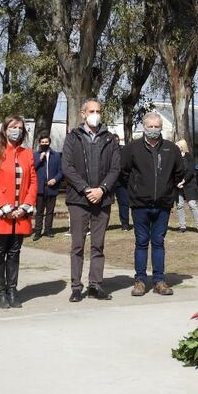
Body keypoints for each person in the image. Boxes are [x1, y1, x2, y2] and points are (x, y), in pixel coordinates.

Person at [120, 112, 186, 297]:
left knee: (159, 242)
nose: (154, 129)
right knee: (141, 242)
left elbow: (179, 173)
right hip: (140, 205)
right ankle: (140, 280)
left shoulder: (171, 149)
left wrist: (168, 191)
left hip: (163, 204)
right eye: (150, 126)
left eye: (157, 126)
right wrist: (134, 191)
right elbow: (123, 173)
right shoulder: (132, 148)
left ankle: (159, 280)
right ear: (143, 126)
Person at [62, 99, 120, 302]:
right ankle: (76, 287)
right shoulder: (73, 137)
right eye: (92, 111)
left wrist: (102, 190)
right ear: (83, 114)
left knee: (98, 245)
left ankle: (95, 285)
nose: (96, 114)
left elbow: (115, 169)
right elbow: (67, 167)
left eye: (99, 111)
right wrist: (86, 189)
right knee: (77, 245)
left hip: (102, 200)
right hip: (79, 200)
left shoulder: (110, 139)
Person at [0, 117, 37, 309]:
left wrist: (25, 206)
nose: (17, 131)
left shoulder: (27, 154)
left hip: (21, 212)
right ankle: (0, 292)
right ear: (5, 129)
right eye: (13, 127)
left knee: (15, 250)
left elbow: (33, 182)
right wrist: (4, 206)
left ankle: (12, 290)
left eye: (20, 128)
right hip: (1, 212)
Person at [32, 133, 62, 240]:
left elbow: (61, 171)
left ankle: (48, 230)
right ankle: (37, 231)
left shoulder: (56, 155)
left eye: (46, 142)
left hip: (52, 187)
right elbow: (31, 169)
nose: (44, 143)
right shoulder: (35, 155)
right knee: (39, 211)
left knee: (50, 211)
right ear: (40, 143)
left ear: (49, 143)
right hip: (40, 188)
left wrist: (55, 179)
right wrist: (40, 159)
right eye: (42, 142)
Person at [175, 139, 198, 234]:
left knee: (192, 205)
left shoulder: (189, 156)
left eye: (178, 145)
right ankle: (182, 227)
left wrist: (183, 181)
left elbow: (191, 171)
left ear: (182, 146)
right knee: (179, 205)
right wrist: (177, 183)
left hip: (189, 184)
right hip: (178, 185)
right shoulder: (175, 157)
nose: (176, 147)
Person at [112, 134, 132, 231]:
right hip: (108, 181)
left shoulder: (123, 151)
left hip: (121, 182)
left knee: (124, 203)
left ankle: (125, 224)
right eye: (114, 141)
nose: (116, 142)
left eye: (117, 140)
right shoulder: (107, 150)